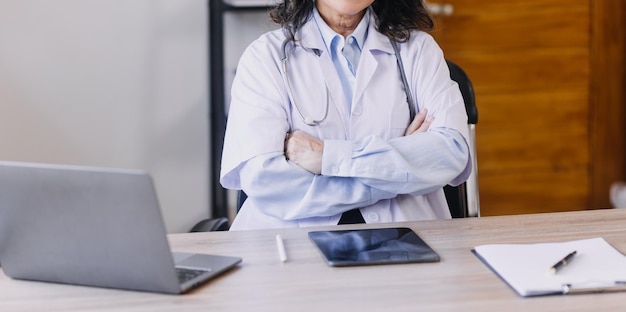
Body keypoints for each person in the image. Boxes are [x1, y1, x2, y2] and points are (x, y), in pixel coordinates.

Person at [220, 0, 471, 230]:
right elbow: (266, 182)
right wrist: (398, 174)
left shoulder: (418, 50)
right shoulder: (265, 56)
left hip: (408, 241)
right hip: (287, 248)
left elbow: (451, 152)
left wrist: (327, 158)